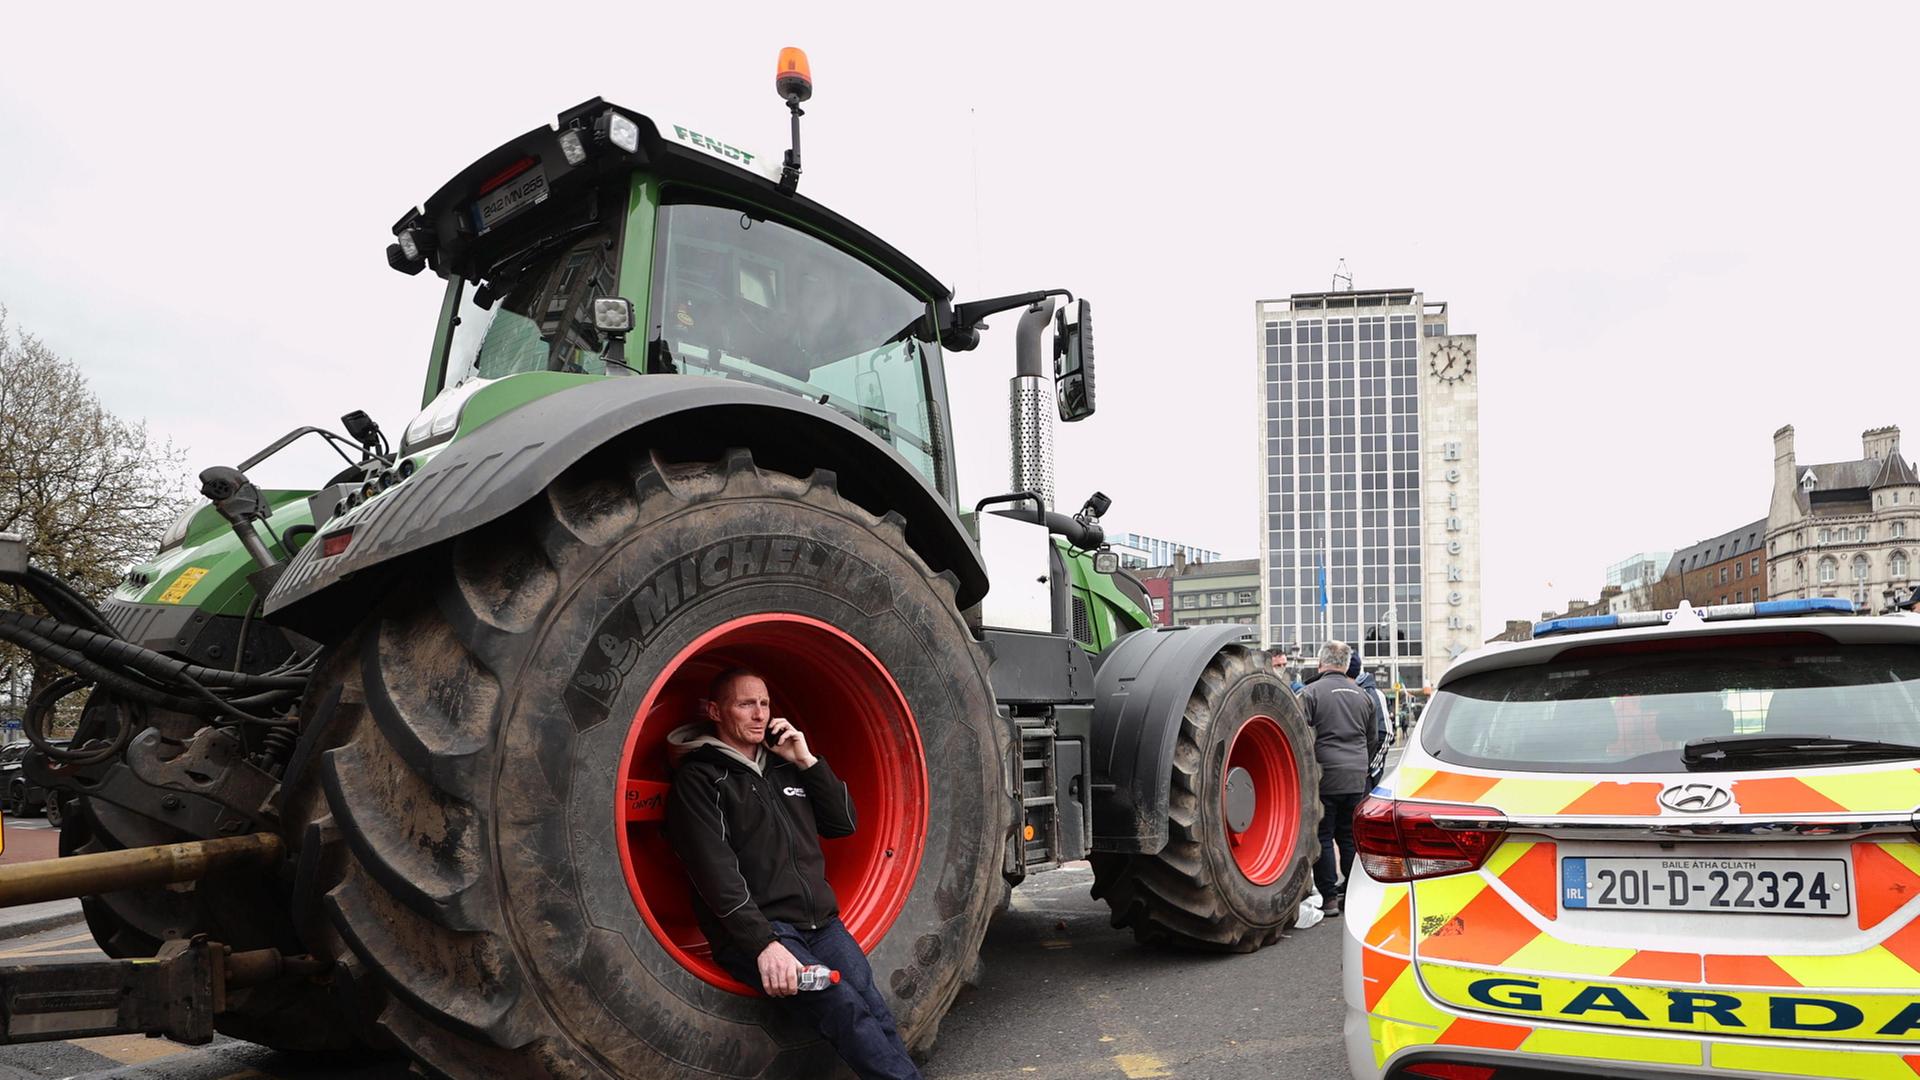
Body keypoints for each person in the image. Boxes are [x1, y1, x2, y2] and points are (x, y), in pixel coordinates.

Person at [665, 668, 921, 1080]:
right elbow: (714, 873)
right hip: (765, 930)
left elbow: (843, 824)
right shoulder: (701, 780)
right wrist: (763, 944)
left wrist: (806, 760)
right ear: (714, 710)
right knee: (841, 1004)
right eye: (746, 704)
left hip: (821, 925)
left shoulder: (786, 768)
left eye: (764, 704)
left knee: (871, 1001)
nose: (759, 714)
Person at [1297, 641, 1381, 918]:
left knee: (1322, 835)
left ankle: (1329, 898)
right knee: (1348, 836)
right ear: (1346, 665)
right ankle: (1353, 894)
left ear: (1321, 663)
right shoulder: (1363, 696)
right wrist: (1360, 763)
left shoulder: (1310, 693)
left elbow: (1298, 737)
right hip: (1356, 776)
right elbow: (1372, 738)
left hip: (1324, 774)